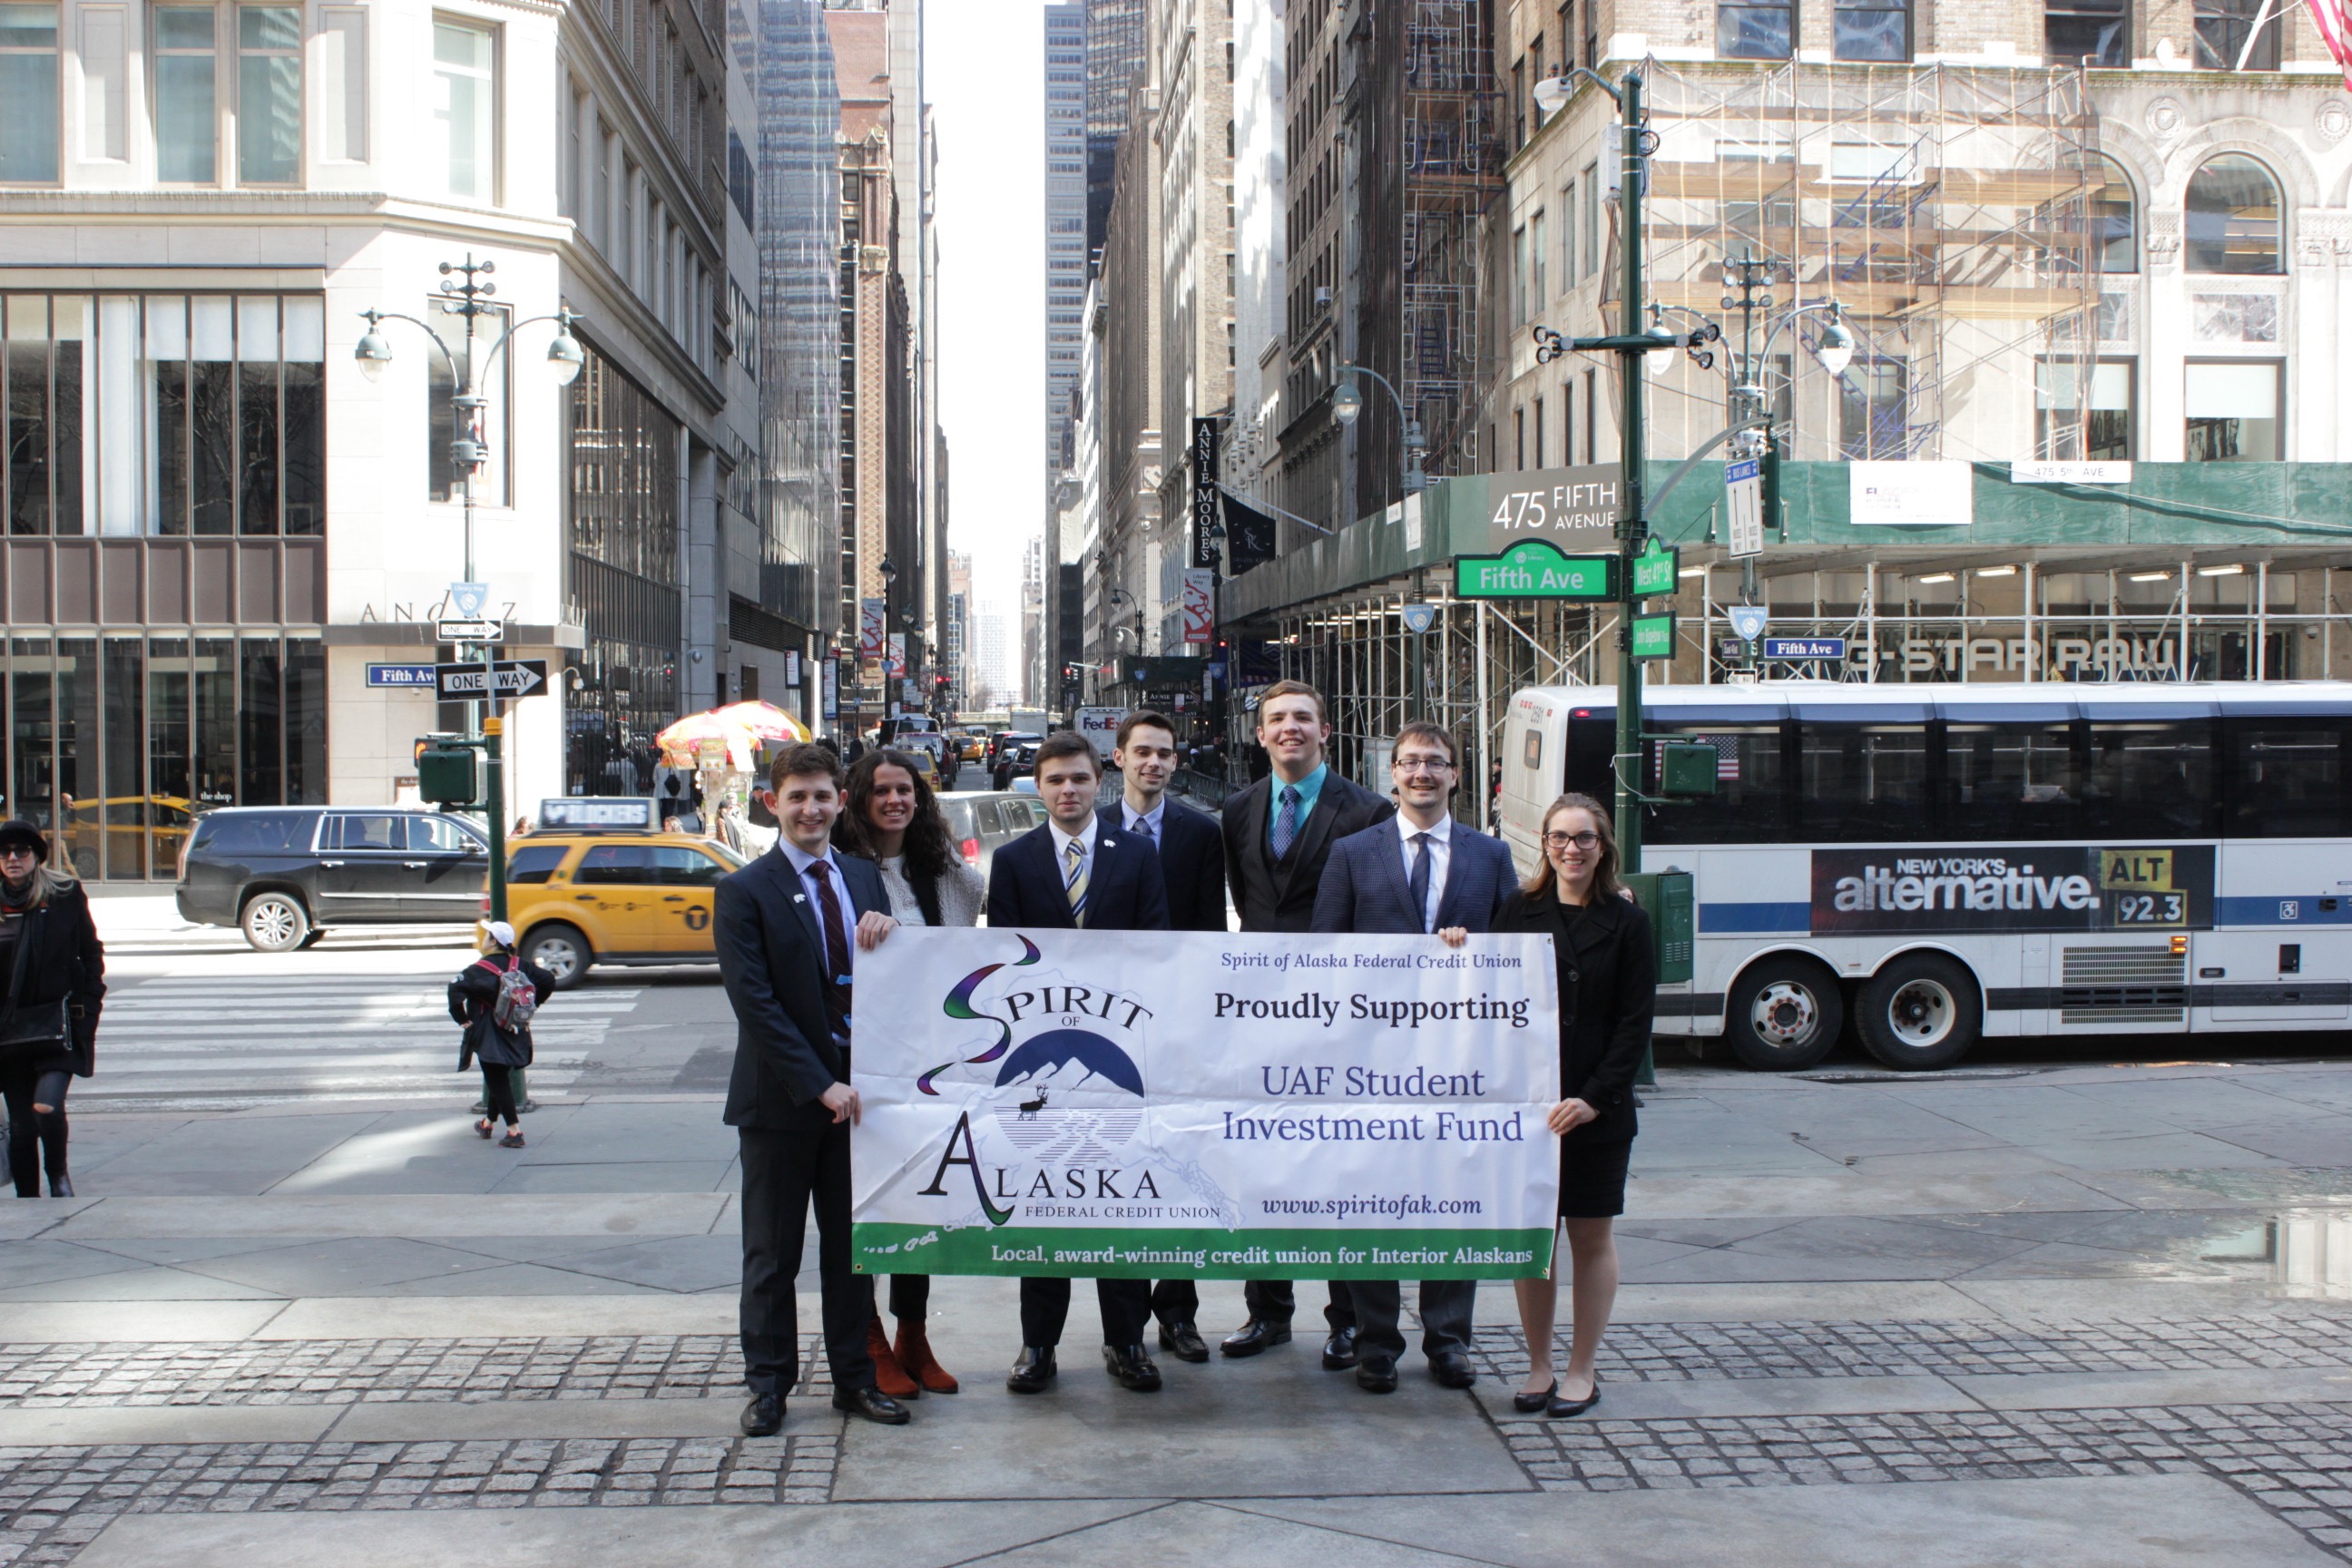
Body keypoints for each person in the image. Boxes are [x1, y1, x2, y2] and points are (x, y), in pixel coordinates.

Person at [1308, 721, 1515, 1393]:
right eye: (1410, 762)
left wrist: (1471, 953)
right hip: (1371, 1063)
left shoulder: (1490, 857)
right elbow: (1325, 958)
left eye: (1436, 763)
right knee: (1371, 1199)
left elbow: (1515, 956)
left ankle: (1449, 1339)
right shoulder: (1352, 853)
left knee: (1452, 1197)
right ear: (1390, 774)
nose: (1422, 773)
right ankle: (1375, 1342)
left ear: (1457, 775)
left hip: (1459, 1063)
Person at [719, 742, 911, 1434]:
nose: (811, 809)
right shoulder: (744, 891)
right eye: (797, 797)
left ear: (839, 802)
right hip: (781, 1106)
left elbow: (885, 980)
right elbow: (757, 1004)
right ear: (774, 804)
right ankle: (768, 1387)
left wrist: (889, 932)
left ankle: (853, 1381)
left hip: (858, 1107)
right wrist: (819, 1083)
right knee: (772, 1256)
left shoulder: (864, 877)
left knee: (852, 1255)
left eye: (823, 796)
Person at [1217, 680, 1395, 1365]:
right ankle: (1269, 1312)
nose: (1289, 728)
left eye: (1302, 718)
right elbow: (1249, 899)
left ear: (1325, 731)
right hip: (1261, 1016)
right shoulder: (1238, 810)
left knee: (1341, 1170)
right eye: (1276, 720)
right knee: (1263, 1164)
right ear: (1259, 735)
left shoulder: (1370, 810)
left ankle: (1347, 1318)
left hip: (1341, 1018)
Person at [987, 731, 1171, 1396]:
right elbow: (1008, 957)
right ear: (1039, 788)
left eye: (1081, 780)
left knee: (1119, 1203)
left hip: (1117, 1052)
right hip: (1040, 1049)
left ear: (1102, 782)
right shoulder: (1013, 861)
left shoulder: (1138, 855)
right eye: (1056, 780)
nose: (1069, 791)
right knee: (1044, 1200)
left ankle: (1128, 1342)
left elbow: (1156, 945)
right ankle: (1038, 1345)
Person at [1491, 793, 1654, 1420]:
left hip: (1598, 1112)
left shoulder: (1629, 922)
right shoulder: (1519, 910)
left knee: (1590, 1237)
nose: (1571, 849)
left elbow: (1635, 1025)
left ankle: (1582, 1368)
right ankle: (1538, 1365)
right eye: (1559, 837)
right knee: (1536, 1240)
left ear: (1603, 845)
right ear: (1545, 844)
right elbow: (1485, 992)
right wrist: (1455, 943)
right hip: (1531, 1114)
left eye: (1584, 838)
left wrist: (1592, 1099)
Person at [833, 748, 981, 1400]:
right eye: (881, 791)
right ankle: (868, 1341)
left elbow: (986, 925)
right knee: (864, 1207)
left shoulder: (943, 870)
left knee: (919, 1202)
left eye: (905, 791)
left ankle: (912, 1337)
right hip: (861, 1067)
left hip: (928, 1066)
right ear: (859, 799)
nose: (895, 801)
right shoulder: (839, 872)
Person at [1095, 710, 1228, 1364]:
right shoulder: (1088, 831)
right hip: (1107, 1028)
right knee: (1118, 1172)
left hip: (1178, 1024)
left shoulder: (1202, 836)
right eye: (1142, 752)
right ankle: (1123, 1329)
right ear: (1117, 758)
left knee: (1181, 1167)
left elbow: (1208, 933)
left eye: (1165, 754)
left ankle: (1178, 1312)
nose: (1153, 763)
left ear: (1177, 763)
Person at [0, 820, 103, 1199]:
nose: (12, 858)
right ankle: (28, 1197)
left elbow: (91, 952)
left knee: (46, 1105)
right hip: (8, 1032)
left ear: (36, 857)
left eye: (21, 851)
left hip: (58, 1024)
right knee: (23, 1128)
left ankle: (59, 1177)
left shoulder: (63, 894)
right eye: (5, 852)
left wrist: (88, 1006)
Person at [448, 922, 554, 1149]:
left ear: (493, 941)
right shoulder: (521, 966)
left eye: (487, 935)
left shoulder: (477, 970)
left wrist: (462, 1019)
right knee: (499, 1077)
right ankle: (487, 1123)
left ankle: (515, 1132)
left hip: (488, 1030)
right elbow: (548, 979)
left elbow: (454, 991)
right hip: (515, 1027)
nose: (484, 938)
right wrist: (532, 1005)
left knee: (496, 1078)